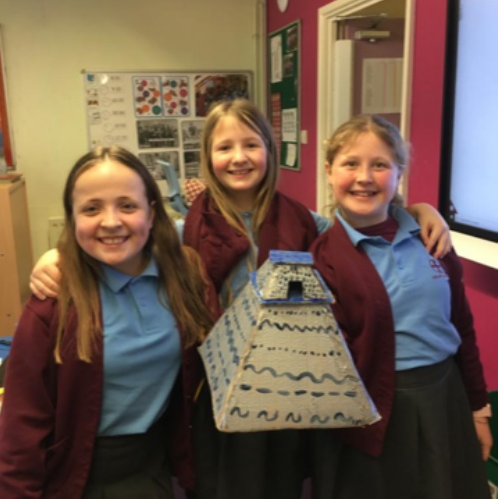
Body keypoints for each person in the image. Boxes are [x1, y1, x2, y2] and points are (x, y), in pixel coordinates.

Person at [28, 100, 452, 499]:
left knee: (284, 481)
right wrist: (57, 255)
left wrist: (415, 211)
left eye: (251, 144)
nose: (239, 157)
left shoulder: (305, 221)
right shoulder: (185, 233)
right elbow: (126, 242)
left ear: (269, 150)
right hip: (215, 393)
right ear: (208, 156)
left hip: (289, 385)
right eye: (224, 147)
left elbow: (359, 222)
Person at [0, 146, 216, 499]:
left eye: (127, 206)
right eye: (91, 208)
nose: (111, 221)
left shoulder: (185, 276)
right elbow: (20, 427)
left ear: (152, 213)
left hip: (157, 466)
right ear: (72, 218)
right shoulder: (54, 301)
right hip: (78, 475)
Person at [309, 115, 492, 499]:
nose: (364, 177)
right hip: (376, 412)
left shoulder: (432, 239)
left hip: (444, 396)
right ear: (329, 171)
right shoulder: (323, 258)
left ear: (399, 174)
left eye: (380, 164)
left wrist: (478, 408)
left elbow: (462, 325)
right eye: (350, 163)